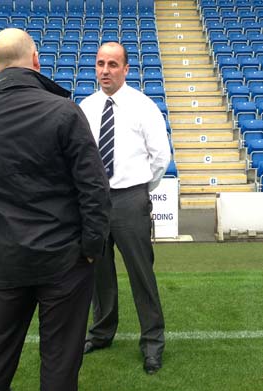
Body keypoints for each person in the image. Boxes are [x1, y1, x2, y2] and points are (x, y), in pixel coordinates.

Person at [0, 28, 111, 391]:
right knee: (59, 364)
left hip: (7, 258)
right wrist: (92, 249)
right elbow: (95, 189)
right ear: (36, 61)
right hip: (63, 259)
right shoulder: (64, 110)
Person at [79, 42, 171, 375]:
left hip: (130, 200)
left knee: (141, 275)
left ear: (126, 69)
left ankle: (152, 343)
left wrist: (140, 190)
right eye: (100, 63)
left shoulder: (144, 106)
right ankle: (102, 333)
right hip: (94, 202)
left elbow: (161, 157)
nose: (105, 70)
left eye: (113, 64)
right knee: (98, 274)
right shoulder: (85, 107)